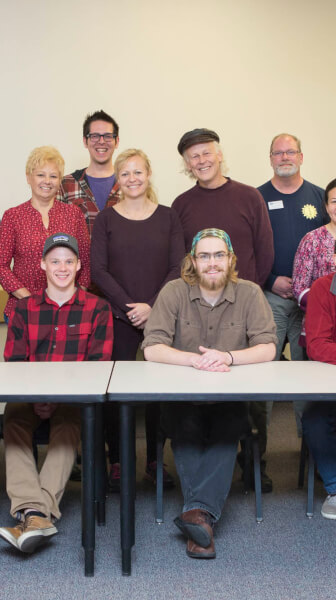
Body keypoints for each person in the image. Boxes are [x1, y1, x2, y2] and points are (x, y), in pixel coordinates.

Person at [142, 228, 277, 559]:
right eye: (204, 256)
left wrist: (228, 357)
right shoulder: (174, 292)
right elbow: (151, 347)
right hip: (183, 396)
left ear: (231, 259)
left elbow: (268, 347)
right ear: (193, 261)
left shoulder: (249, 293)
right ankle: (202, 518)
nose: (212, 262)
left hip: (229, 396)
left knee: (227, 430)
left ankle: (196, 516)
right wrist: (195, 361)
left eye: (219, 255)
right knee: (186, 429)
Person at [173, 128, 275, 492]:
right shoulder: (182, 204)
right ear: (187, 164)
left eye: (206, 153)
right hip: (200, 308)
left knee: (253, 391)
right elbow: (183, 258)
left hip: (245, 305)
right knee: (202, 381)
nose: (201, 160)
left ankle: (253, 465)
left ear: (219, 155)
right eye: (193, 156)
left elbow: (265, 251)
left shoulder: (249, 196)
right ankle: (205, 461)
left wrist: (246, 294)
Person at [0, 233, 113, 553]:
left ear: (78, 266)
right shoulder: (23, 308)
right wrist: (37, 398)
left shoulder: (98, 309)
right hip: (29, 395)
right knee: (13, 422)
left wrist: (57, 399)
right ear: (42, 264)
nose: (61, 267)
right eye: (55, 261)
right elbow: (15, 362)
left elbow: (97, 366)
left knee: (67, 427)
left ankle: (34, 514)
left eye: (68, 261)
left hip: (74, 399)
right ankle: (39, 513)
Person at [91, 149, 184, 491]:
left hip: (161, 317)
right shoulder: (106, 220)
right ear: (118, 179)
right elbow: (98, 270)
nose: (132, 179)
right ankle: (117, 460)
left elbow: (178, 267)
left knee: (159, 392)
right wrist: (132, 307)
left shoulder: (168, 217)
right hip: (118, 316)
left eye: (138, 172)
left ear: (148, 175)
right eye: (125, 173)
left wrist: (152, 307)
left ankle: (155, 461)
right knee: (117, 393)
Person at [258, 134, 327, 437]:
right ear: (270, 158)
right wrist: (271, 280)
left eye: (290, 152)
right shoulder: (255, 197)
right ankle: (254, 460)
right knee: (263, 375)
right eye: (278, 152)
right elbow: (248, 250)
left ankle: (313, 456)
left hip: (313, 303)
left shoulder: (320, 197)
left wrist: (308, 289)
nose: (284, 157)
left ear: (301, 157)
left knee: (309, 381)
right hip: (269, 298)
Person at [0, 146, 90, 321]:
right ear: (28, 177)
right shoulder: (13, 216)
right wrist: (30, 300)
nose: (47, 181)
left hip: (67, 311)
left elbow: (86, 262)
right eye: (40, 175)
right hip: (23, 311)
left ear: (60, 180)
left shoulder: (74, 215)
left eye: (53, 176)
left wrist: (76, 299)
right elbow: (0, 265)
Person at [302, 272, 336, 519]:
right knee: (315, 420)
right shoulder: (323, 288)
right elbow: (317, 344)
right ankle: (335, 489)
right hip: (330, 379)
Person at [57, 110, 121, 235]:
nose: (101, 141)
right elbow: (55, 233)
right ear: (85, 141)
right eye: (95, 136)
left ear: (116, 141)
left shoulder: (130, 184)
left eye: (108, 136)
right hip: (80, 255)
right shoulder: (65, 184)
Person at [292, 178, 336, 342]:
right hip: (320, 325)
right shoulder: (312, 240)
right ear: (326, 206)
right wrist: (327, 306)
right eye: (334, 201)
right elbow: (299, 288)